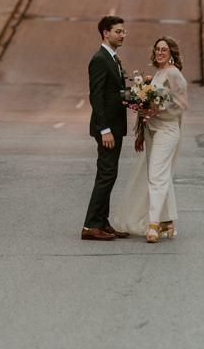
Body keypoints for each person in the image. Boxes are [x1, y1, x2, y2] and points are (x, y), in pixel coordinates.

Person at [113, 36, 188, 242]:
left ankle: (153, 224)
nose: (160, 52)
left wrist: (157, 110)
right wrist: (140, 132)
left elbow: (180, 104)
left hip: (167, 131)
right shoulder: (157, 74)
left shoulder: (174, 74)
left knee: (156, 175)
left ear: (171, 52)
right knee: (160, 174)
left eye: (164, 49)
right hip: (150, 131)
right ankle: (168, 222)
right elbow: (146, 103)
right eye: (157, 49)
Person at [81, 16, 129, 241]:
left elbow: (114, 93)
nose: (122, 35)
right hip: (108, 129)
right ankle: (91, 225)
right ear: (105, 33)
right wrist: (104, 130)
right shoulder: (100, 59)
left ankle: (103, 221)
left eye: (123, 31)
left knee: (110, 174)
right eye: (118, 31)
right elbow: (96, 97)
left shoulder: (113, 58)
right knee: (106, 174)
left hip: (115, 127)